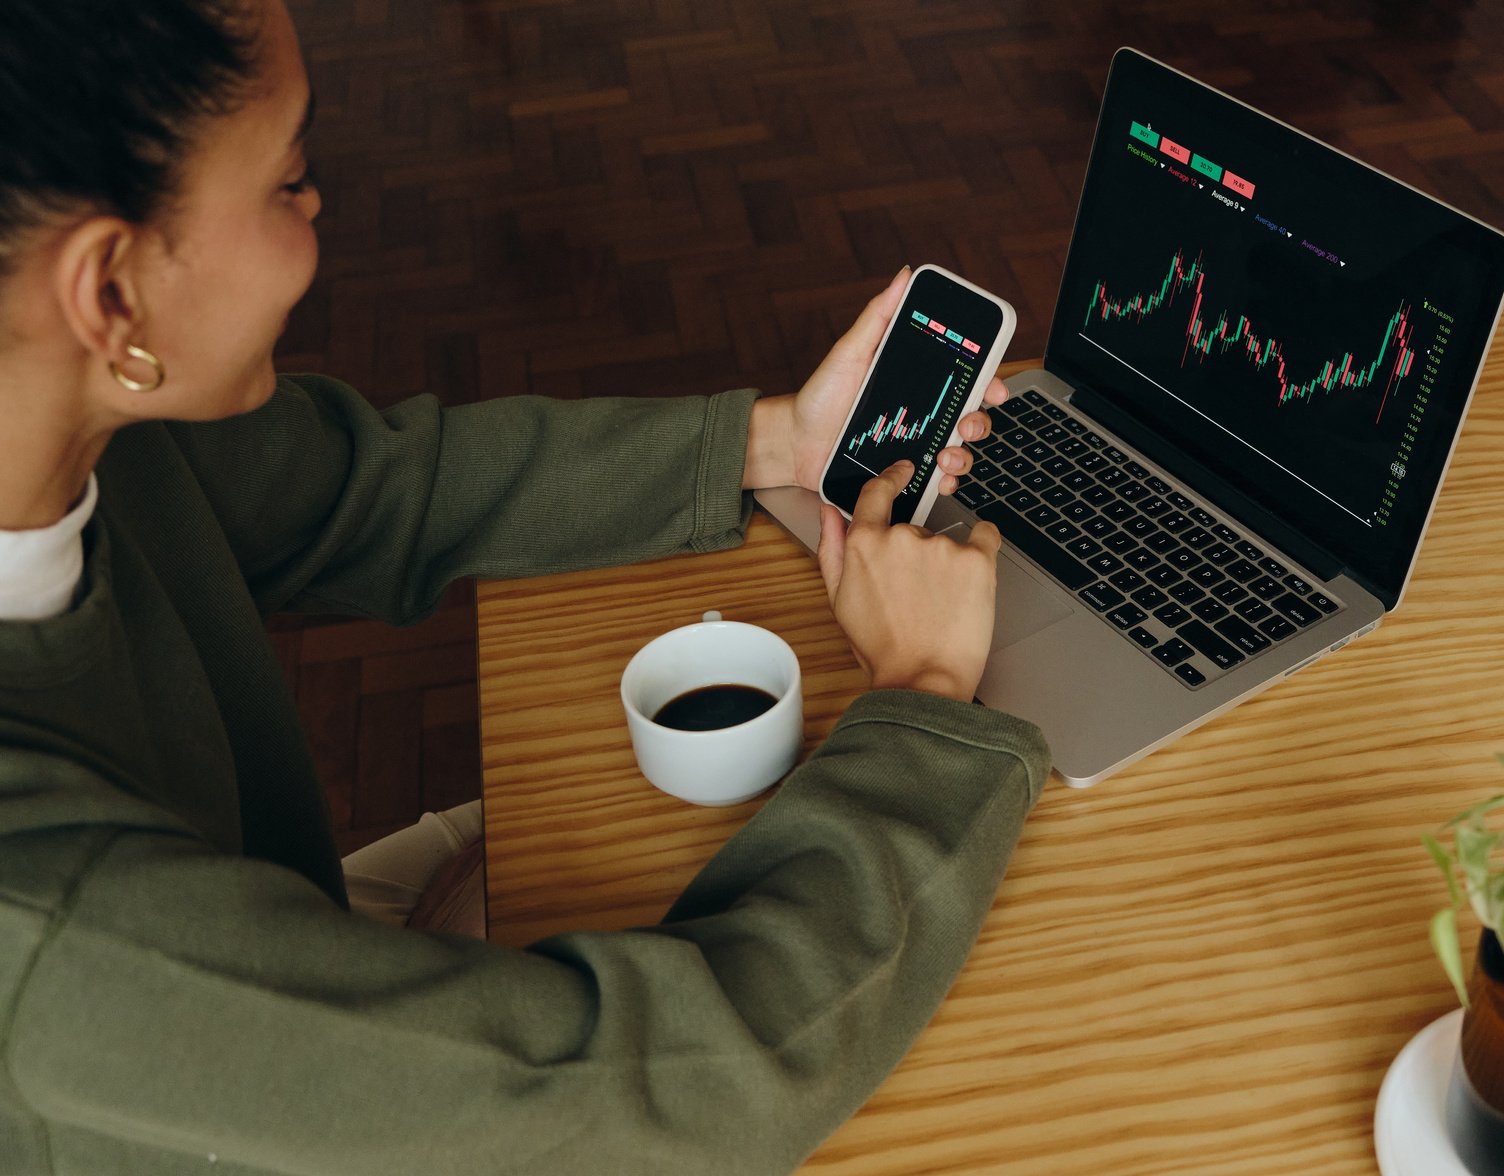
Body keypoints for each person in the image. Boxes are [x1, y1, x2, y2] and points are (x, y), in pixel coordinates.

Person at [0, 1, 1050, 1173]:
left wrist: (776, 446)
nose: (319, 214)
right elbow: (703, 1086)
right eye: (289, 183)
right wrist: (920, 695)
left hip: (276, 948)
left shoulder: (88, 429)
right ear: (107, 295)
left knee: (545, 847)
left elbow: (370, 486)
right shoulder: (44, 922)